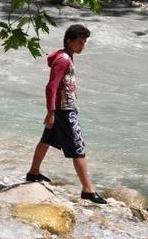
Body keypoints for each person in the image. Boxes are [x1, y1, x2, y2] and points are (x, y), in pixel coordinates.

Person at [25, 25, 107, 203]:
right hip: (64, 110)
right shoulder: (63, 60)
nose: (83, 46)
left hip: (63, 109)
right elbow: (51, 87)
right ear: (69, 41)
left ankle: (33, 172)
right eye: (80, 42)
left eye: (84, 42)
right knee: (78, 147)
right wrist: (50, 112)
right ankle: (87, 189)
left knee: (47, 139)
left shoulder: (66, 56)